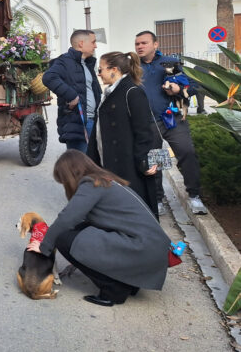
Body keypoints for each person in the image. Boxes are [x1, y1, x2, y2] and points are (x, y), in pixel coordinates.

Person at [27, 150, 171, 307]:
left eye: (63, 181)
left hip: (143, 248)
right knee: (77, 232)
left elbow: (67, 218)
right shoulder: (104, 180)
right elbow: (81, 220)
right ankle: (127, 282)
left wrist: (44, 246)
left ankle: (114, 289)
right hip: (151, 248)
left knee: (64, 239)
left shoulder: (91, 185)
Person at [134, 31, 207, 215]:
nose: (140, 46)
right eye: (137, 44)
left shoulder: (170, 63)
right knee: (156, 160)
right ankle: (157, 199)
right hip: (149, 122)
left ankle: (195, 197)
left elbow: (194, 85)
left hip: (174, 119)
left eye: (144, 43)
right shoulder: (133, 67)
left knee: (187, 153)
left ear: (155, 44)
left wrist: (179, 89)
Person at [88, 52, 158, 216]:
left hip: (128, 166)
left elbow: (144, 131)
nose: (99, 74)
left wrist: (143, 161)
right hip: (110, 163)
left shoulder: (132, 91)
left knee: (133, 210)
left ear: (114, 69)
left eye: (101, 69)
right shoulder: (111, 91)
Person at [42, 30, 101, 153]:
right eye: (93, 42)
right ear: (81, 43)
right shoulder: (64, 61)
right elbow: (48, 77)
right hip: (77, 124)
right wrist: (72, 96)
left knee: (91, 167)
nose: (95, 46)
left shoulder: (87, 63)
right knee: (80, 168)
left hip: (93, 122)